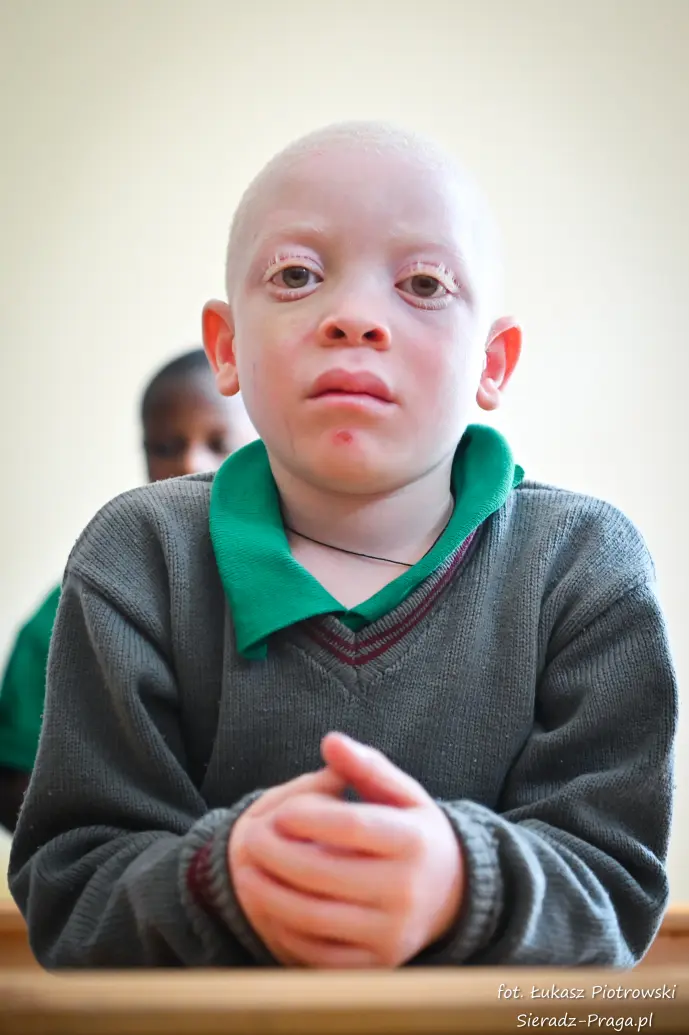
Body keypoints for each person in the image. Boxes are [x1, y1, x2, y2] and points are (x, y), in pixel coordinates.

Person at [10, 122, 676, 971]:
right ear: (226, 348)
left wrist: (460, 882)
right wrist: (219, 879)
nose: (354, 318)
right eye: (296, 275)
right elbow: (69, 891)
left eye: (423, 283)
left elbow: (614, 894)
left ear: (493, 364)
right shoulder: (137, 559)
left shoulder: (583, 569)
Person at [0, 348, 255, 832]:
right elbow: (17, 781)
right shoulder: (85, 598)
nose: (189, 462)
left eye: (219, 443)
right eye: (166, 446)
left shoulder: (312, 583)